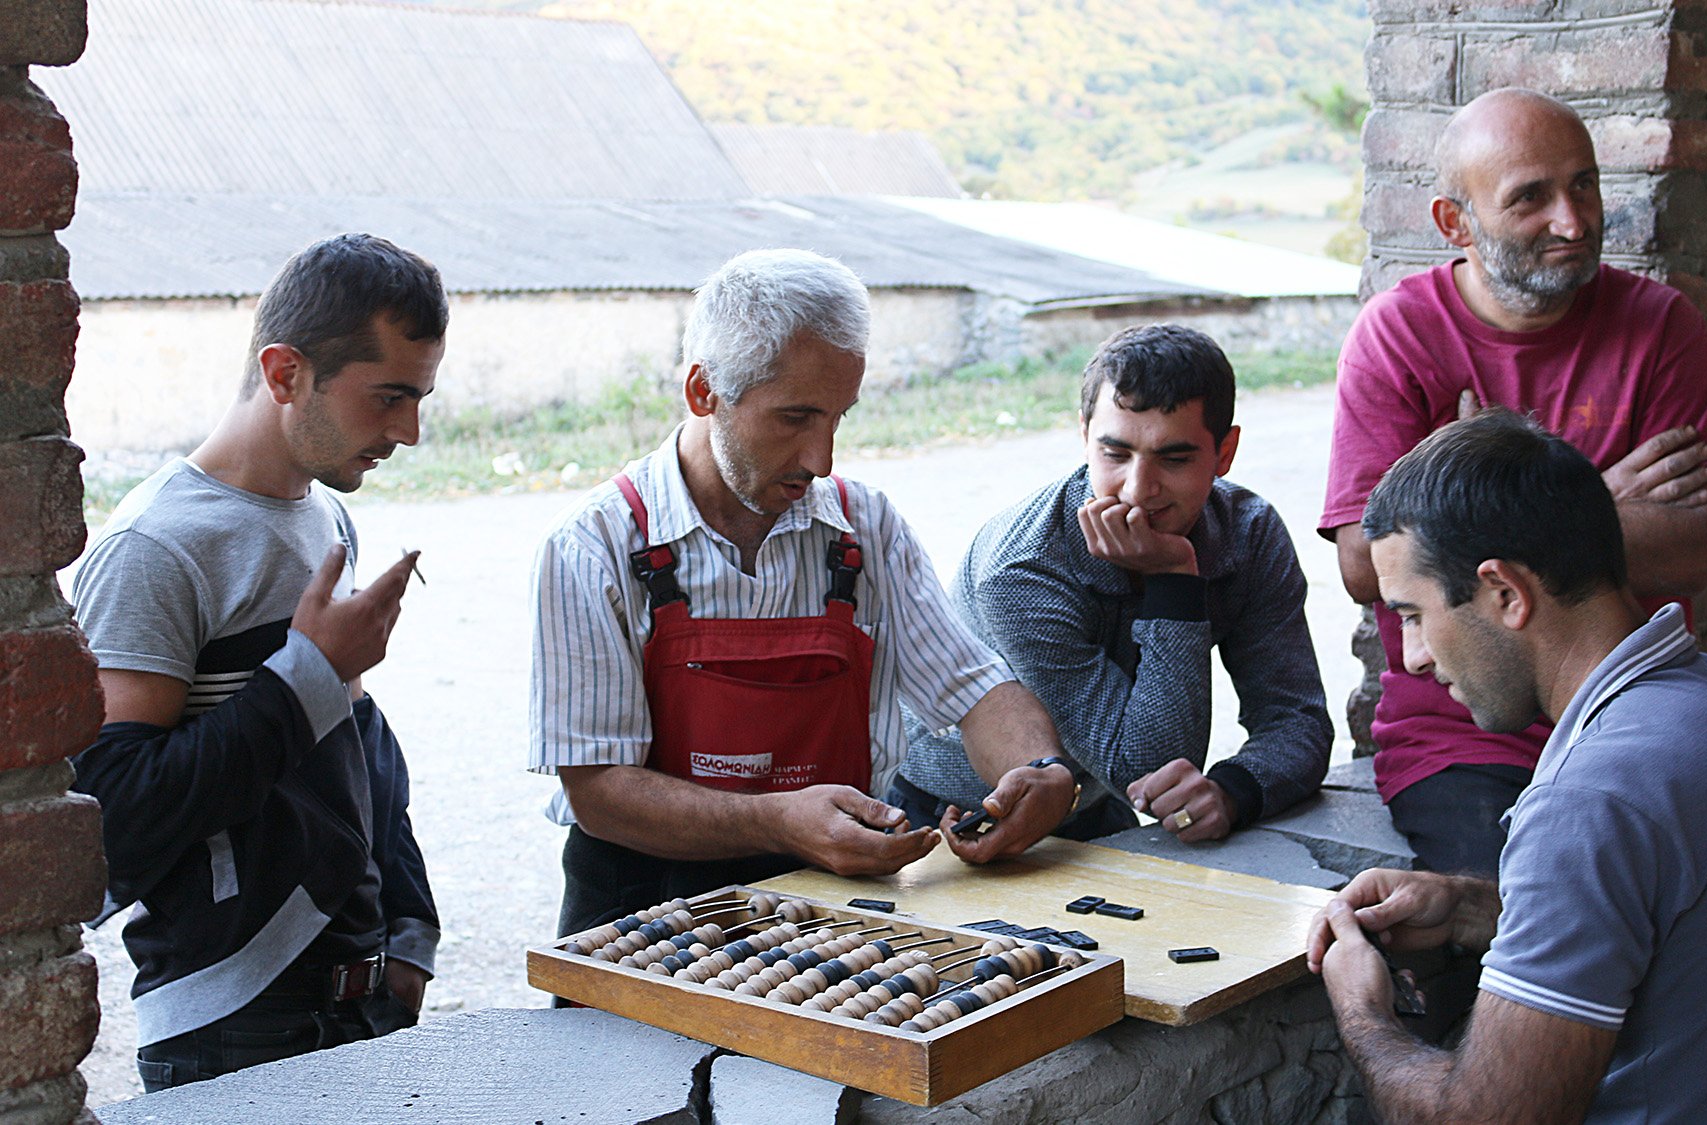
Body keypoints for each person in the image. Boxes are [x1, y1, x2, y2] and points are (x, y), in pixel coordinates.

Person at [1307, 410, 1707, 1124]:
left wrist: (1364, 1012)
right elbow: (1684, 929)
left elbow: (1484, 1119)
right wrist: (1470, 905)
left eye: (1416, 614)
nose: (1416, 655)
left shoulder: (1594, 794)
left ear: (1506, 594)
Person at [530, 248, 1080, 937]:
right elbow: (599, 791)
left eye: (838, 416)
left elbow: (973, 688)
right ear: (704, 392)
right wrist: (778, 820)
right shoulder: (595, 546)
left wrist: (1041, 770)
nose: (822, 459)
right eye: (795, 418)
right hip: (644, 916)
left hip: (830, 909)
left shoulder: (864, 527)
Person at [1320, 87, 1707, 878]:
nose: (1573, 221)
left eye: (1583, 184)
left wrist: (1469, 505)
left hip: (1634, 711)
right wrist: (1597, 506)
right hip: (1464, 739)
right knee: (1530, 913)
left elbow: (1689, 550)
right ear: (1456, 222)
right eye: (1530, 199)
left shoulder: (1661, 327)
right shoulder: (1398, 337)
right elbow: (1360, 564)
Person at [69, 234, 445, 1091]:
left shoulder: (326, 518)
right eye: (388, 396)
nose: (410, 432)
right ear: (284, 374)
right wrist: (309, 670)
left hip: (360, 998)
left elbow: (356, 739)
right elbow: (110, 822)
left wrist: (410, 922)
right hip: (225, 1030)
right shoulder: (154, 549)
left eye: (419, 398)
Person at [893, 324, 1332, 842]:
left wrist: (1233, 790)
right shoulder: (1022, 568)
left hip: (1094, 809)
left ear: (1225, 452)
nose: (1138, 489)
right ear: (1084, 436)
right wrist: (1173, 580)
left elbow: (1297, 718)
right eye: (1115, 454)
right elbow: (1144, 767)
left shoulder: (1249, 532)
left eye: (1174, 458)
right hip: (947, 818)